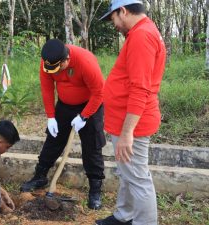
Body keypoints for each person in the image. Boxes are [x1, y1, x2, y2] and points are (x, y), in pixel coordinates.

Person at [95, 0, 166, 224]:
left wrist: (127, 133)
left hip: (133, 123)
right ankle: (124, 216)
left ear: (123, 11)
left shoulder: (141, 36)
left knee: (137, 178)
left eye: (113, 18)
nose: (113, 24)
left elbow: (140, 89)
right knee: (128, 174)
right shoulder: (141, 32)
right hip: (125, 120)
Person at [20, 39, 106, 210]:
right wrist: (51, 116)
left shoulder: (85, 62)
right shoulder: (48, 62)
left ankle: (95, 189)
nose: (56, 72)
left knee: (92, 146)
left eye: (59, 68)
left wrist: (84, 116)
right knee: (53, 140)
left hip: (90, 105)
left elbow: (99, 92)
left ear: (67, 59)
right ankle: (40, 176)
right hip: (64, 105)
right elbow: (47, 88)